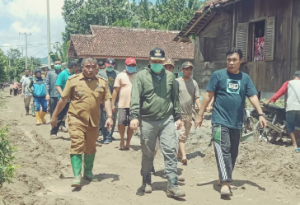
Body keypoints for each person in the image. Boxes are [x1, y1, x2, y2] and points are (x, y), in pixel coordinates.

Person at [196, 48, 266, 196]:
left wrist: (260, 114)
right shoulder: (218, 75)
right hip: (219, 120)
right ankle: (226, 183)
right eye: (229, 60)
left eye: (234, 60)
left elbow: (253, 96)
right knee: (222, 149)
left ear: (240, 61)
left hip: (236, 122)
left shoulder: (245, 78)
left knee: (233, 152)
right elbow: (208, 96)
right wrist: (200, 114)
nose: (231, 62)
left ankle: (223, 178)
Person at [130, 47, 185, 198]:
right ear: (149, 60)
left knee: (170, 151)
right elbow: (135, 97)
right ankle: (146, 180)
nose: (157, 64)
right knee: (148, 153)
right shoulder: (141, 76)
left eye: (160, 61)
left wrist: (178, 117)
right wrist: (134, 116)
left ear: (164, 62)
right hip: (147, 120)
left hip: (167, 119)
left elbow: (174, 99)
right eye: (154, 61)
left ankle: (173, 185)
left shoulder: (170, 77)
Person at [50, 58, 113, 187]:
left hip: (94, 120)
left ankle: (88, 172)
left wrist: (110, 116)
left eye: (93, 67)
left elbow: (106, 100)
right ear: (81, 67)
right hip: (76, 118)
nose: (90, 69)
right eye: (87, 66)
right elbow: (63, 99)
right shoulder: (73, 81)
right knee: (77, 143)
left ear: (97, 68)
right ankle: (76, 175)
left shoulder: (102, 82)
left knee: (90, 147)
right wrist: (55, 115)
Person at [265, 70, 300, 149]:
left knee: (290, 126)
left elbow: (279, 93)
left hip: (291, 107)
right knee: (298, 126)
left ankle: (294, 145)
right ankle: (295, 142)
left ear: (293, 77)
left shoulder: (288, 83)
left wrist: (269, 101)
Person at [176, 62, 201, 165]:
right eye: (186, 69)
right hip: (179, 114)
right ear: (182, 70)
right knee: (181, 135)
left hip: (189, 114)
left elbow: (196, 97)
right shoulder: (176, 82)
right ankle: (184, 157)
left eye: (190, 69)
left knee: (185, 135)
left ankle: (178, 154)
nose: (189, 71)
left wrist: (200, 108)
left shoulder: (194, 83)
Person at [112, 57, 136, 150]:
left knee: (131, 124)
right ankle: (122, 139)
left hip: (134, 105)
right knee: (121, 122)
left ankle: (128, 143)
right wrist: (113, 103)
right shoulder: (120, 76)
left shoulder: (138, 76)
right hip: (122, 104)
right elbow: (115, 90)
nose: (131, 67)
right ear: (125, 66)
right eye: (129, 65)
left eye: (133, 65)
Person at [50, 60, 79, 138]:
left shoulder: (75, 75)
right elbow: (57, 85)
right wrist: (63, 94)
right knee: (59, 116)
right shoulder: (63, 74)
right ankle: (53, 132)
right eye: (77, 67)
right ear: (74, 67)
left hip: (74, 100)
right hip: (64, 100)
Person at [98, 58, 119, 144]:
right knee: (104, 118)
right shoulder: (100, 73)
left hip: (114, 100)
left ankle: (109, 135)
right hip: (104, 99)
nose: (110, 67)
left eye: (112, 65)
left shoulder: (117, 74)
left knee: (112, 117)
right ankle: (105, 136)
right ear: (105, 65)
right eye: (108, 65)